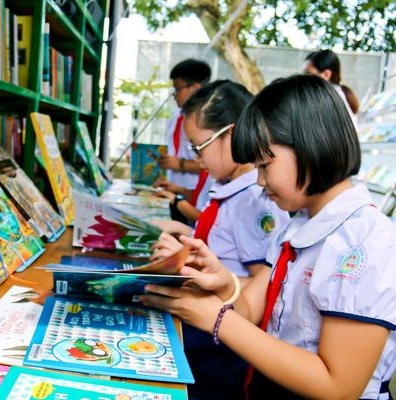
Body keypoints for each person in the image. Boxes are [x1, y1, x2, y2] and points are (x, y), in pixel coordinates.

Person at [140, 75, 396, 399]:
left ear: (309, 144)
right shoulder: (298, 225)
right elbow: (251, 308)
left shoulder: (366, 241)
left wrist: (218, 320)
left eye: (265, 165)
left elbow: (338, 386)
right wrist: (221, 281)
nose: (259, 181)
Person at [151, 80, 290, 399]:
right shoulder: (231, 191)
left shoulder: (256, 200)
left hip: (223, 352)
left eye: (199, 146)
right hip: (209, 332)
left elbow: (265, 289)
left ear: (231, 133)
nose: (196, 157)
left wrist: (204, 277)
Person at [155, 58, 212, 223]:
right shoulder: (177, 116)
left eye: (177, 89)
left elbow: (208, 164)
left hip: (196, 198)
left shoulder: (206, 122)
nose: (174, 95)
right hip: (180, 191)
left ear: (194, 88)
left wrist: (178, 164)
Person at [303, 49, 359, 127]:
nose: (303, 79)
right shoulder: (336, 95)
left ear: (326, 74)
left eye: (309, 74)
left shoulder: (329, 100)